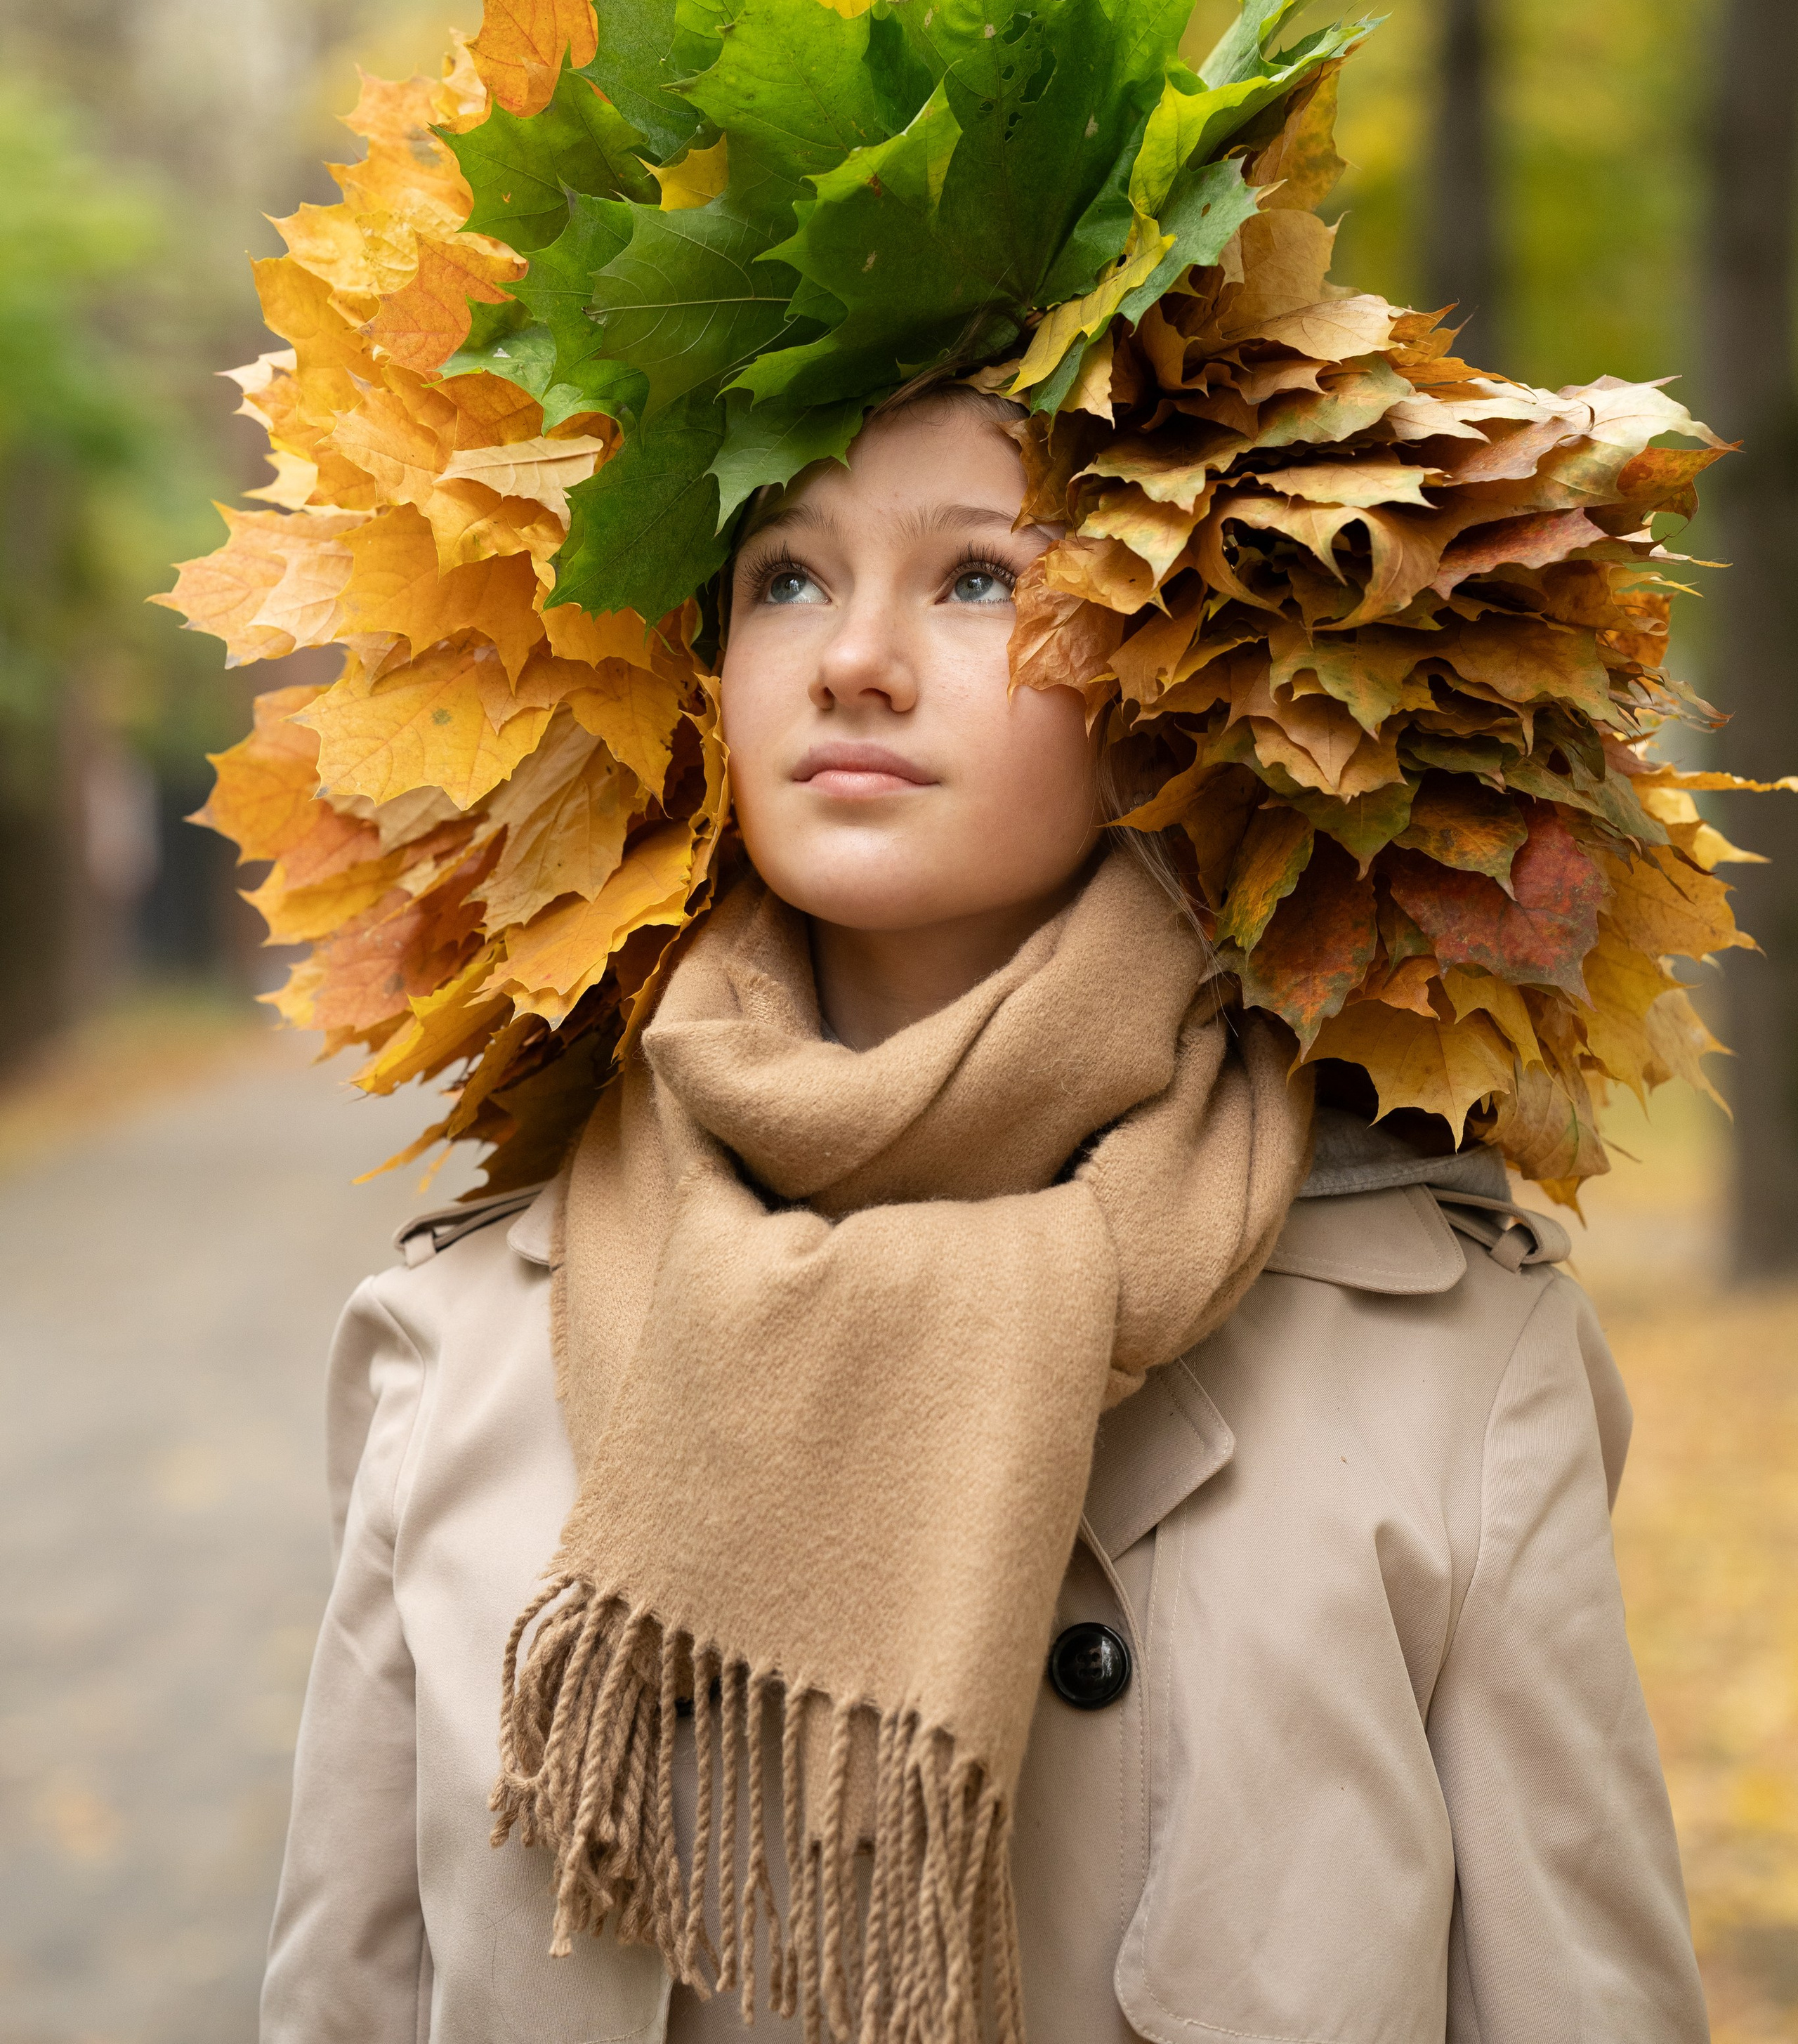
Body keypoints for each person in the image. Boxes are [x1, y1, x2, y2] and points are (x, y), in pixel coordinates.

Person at [259, 384, 1709, 2044]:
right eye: (785, 579)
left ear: (1179, 684)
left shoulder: (1448, 1358)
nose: (851, 660)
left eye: (976, 581)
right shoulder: (459, 1352)